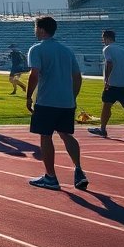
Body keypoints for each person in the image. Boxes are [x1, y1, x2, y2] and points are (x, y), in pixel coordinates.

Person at [26, 15, 87, 190]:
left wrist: (28, 96)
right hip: (66, 102)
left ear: (41, 29)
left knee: (45, 136)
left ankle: (50, 176)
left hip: (47, 100)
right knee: (66, 135)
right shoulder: (67, 50)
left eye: (36, 28)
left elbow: (34, 75)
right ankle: (79, 169)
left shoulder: (36, 49)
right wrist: (72, 97)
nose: (35, 31)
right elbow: (77, 77)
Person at [88, 29, 124, 140]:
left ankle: (103, 129)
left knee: (106, 106)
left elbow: (109, 63)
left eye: (103, 38)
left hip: (113, 84)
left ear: (107, 38)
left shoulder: (107, 49)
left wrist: (106, 80)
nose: (102, 40)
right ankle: (102, 129)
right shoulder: (122, 50)